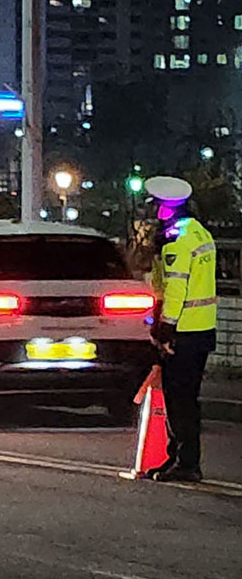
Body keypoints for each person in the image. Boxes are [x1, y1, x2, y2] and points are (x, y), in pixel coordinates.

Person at [144, 176, 216, 482]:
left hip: (183, 333)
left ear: (166, 209)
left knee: (179, 399)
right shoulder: (199, 232)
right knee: (187, 398)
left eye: (156, 207)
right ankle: (179, 459)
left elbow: (175, 289)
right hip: (201, 330)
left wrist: (165, 330)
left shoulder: (178, 241)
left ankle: (186, 463)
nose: (153, 214)